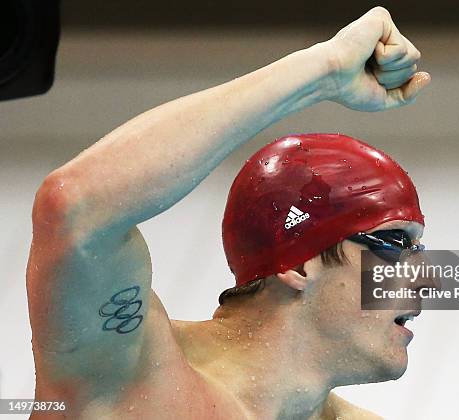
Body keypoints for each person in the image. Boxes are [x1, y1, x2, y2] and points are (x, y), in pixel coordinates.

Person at [26, 7, 433, 419]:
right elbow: (74, 206)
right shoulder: (129, 381)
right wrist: (320, 71)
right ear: (300, 264)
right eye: (397, 244)